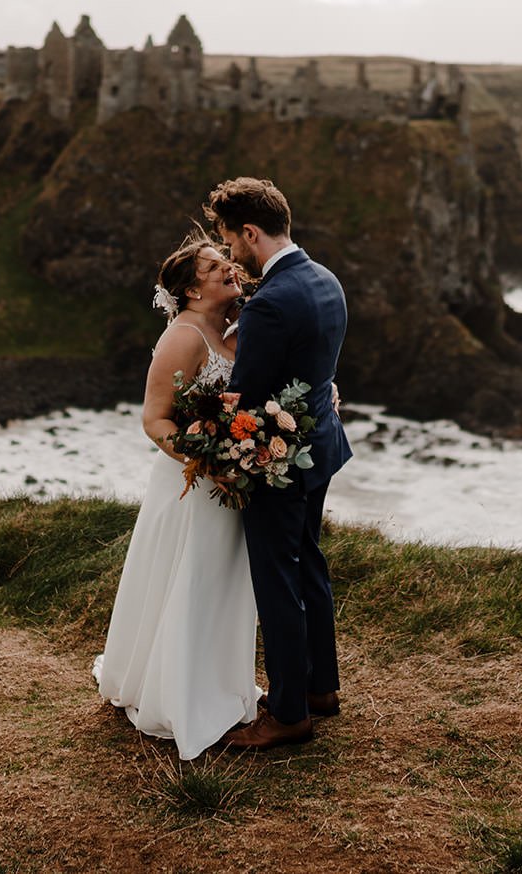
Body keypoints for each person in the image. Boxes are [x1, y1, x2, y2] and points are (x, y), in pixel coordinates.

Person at [92, 234, 260, 760]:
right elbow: (155, 419)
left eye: (228, 261)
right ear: (190, 290)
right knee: (190, 582)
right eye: (216, 267)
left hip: (229, 481)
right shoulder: (183, 337)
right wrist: (207, 461)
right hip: (193, 484)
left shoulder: (231, 326)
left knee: (221, 585)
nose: (230, 269)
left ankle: (218, 683)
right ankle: (178, 693)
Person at [206, 177, 353, 751]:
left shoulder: (269, 304)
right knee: (309, 563)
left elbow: (244, 397)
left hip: (280, 465)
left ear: (250, 232)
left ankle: (290, 712)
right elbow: (315, 369)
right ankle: (321, 687)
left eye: (231, 241)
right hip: (322, 450)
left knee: (277, 581)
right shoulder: (326, 280)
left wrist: (205, 434)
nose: (230, 255)